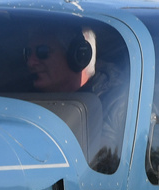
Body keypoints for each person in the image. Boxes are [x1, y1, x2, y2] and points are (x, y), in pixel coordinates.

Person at [23, 25, 127, 173]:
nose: (30, 62)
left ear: (77, 56)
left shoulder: (117, 104)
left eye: (42, 52)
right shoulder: (24, 102)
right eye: (28, 53)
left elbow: (102, 167)